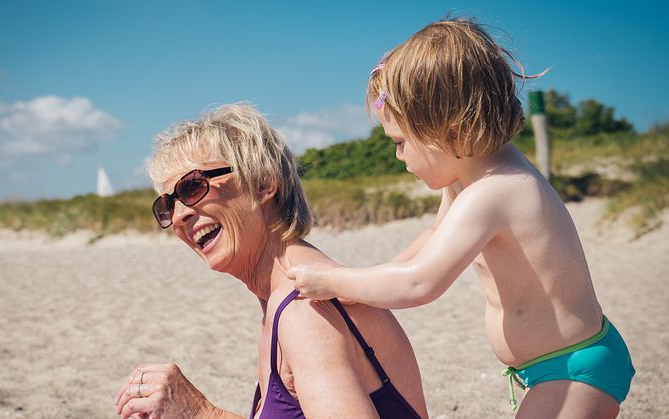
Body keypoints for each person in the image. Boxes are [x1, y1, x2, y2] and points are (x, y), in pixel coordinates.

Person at [288, 18, 634, 418]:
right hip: (552, 365)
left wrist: (333, 280)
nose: (398, 156)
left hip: (575, 369)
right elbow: (432, 240)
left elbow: (421, 283)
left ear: (447, 131)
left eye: (400, 143)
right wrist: (364, 279)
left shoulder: (495, 191)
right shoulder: (466, 178)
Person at [114, 103, 429, 419]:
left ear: (263, 184)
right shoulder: (288, 294)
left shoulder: (305, 307)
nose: (180, 215)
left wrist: (201, 413)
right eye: (167, 205)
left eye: (193, 186)